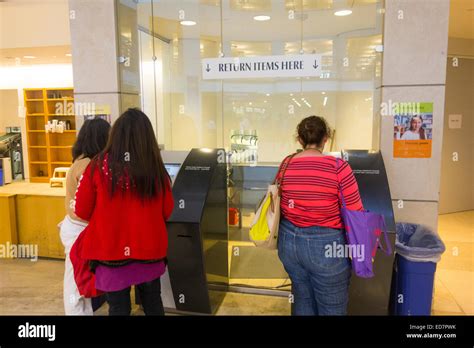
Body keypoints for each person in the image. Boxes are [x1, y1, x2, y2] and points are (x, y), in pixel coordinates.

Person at [74, 108, 174, 316]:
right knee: (153, 302)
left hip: (110, 253)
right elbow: (168, 210)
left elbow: (82, 211)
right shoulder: (156, 170)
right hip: (150, 251)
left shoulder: (97, 167)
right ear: (148, 137)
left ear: (115, 135)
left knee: (118, 308)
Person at [276, 115, 364, 316]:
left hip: (289, 244)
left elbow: (279, 202)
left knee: (303, 299)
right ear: (326, 138)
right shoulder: (338, 167)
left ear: (300, 139)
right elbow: (356, 213)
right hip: (326, 246)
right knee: (331, 306)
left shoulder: (286, 163)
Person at [59, 118, 110, 315]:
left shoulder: (82, 161)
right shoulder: (87, 166)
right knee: (74, 286)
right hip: (79, 232)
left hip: (77, 229)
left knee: (82, 284)